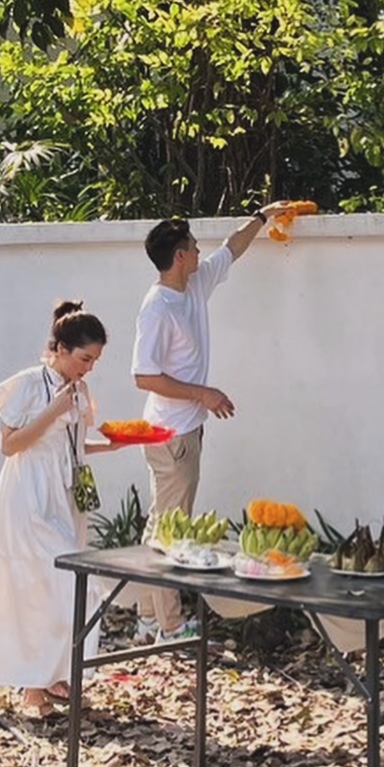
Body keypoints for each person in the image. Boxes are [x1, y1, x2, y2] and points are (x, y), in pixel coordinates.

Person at [130, 202, 291, 642]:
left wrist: (262, 216)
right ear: (179, 256)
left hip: (184, 429)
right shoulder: (158, 308)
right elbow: (144, 375)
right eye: (193, 247)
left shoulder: (195, 284)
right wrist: (204, 393)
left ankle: (148, 616)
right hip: (170, 434)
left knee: (161, 522)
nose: (201, 252)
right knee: (171, 530)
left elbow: (231, 249)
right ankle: (169, 626)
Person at [0, 301, 110, 717]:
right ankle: (31, 687)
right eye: (84, 358)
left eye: (94, 360)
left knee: (64, 584)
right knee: (39, 583)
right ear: (59, 348)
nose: (88, 367)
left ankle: (53, 672)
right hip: (28, 495)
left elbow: (69, 445)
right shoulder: (27, 384)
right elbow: (10, 445)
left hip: (65, 493)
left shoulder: (78, 389)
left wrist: (116, 443)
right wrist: (52, 410)